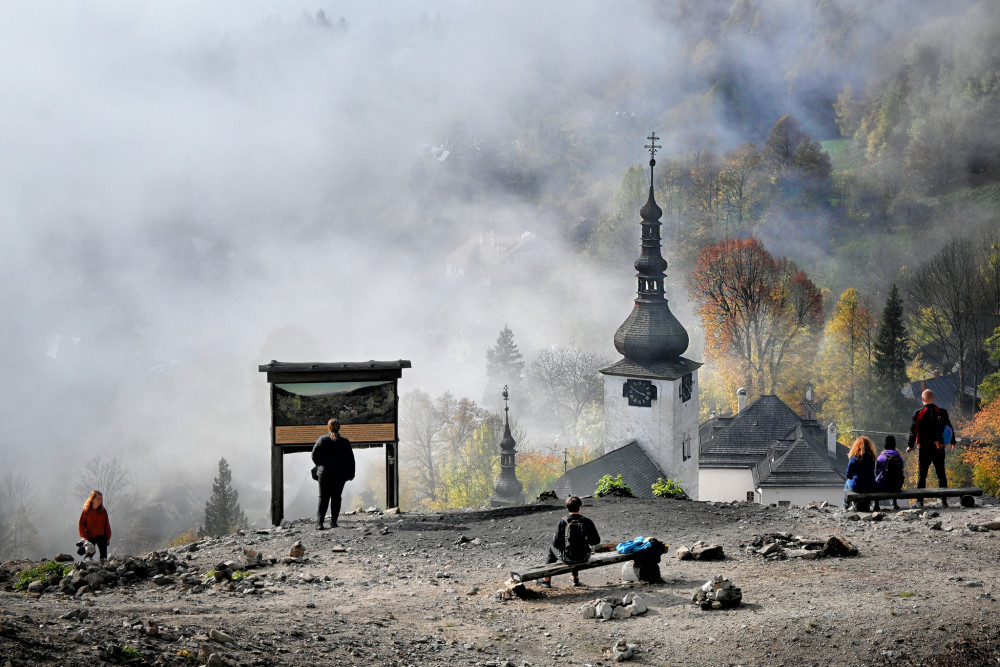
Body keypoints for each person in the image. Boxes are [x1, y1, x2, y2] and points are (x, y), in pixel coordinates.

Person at [907, 388, 956, 507]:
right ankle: (943, 500)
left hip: (924, 449)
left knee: (922, 474)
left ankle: (919, 501)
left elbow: (913, 431)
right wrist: (952, 441)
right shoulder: (942, 412)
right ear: (933, 399)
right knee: (941, 473)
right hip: (939, 448)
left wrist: (910, 445)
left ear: (923, 399)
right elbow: (949, 427)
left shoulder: (918, 413)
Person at [539, 495, 600, 588]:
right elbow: (596, 541)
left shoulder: (563, 522)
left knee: (552, 549)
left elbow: (556, 543)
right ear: (580, 507)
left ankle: (546, 579)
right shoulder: (587, 521)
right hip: (584, 556)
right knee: (576, 548)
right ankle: (575, 578)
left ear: (567, 507)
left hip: (568, 558)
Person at [311, 417, 355, 529]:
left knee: (323, 497)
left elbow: (314, 455)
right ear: (339, 428)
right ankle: (333, 523)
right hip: (340, 475)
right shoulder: (345, 442)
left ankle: (319, 523)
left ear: (328, 427)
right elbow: (350, 459)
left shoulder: (322, 439)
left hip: (324, 473)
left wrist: (321, 465)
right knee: (336, 497)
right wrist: (351, 474)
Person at [844, 436, 878, 511]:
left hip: (857, 487)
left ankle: (846, 505)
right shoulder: (872, 458)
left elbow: (848, 475)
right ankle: (873, 504)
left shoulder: (853, 458)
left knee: (847, 483)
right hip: (870, 486)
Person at [78, 490, 111, 560]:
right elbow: (81, 524)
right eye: (97, 499)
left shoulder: (103, 511)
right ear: (92, 499)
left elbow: (106, 525)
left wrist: (108, 537)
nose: (100, 501)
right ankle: (83, 567)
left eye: (101, 499)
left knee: (103, 556)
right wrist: (84, 536)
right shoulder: (86, 511)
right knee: (90, 553)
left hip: (102, 536)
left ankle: (103, 570)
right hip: (90, 536)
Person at [875, 435, 906, 510]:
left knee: (876, 481)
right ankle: (894, 503)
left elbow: (876, 472)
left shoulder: (881, 457)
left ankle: (876, 505)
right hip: (897, 486)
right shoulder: (900, 457)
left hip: (885, 485)